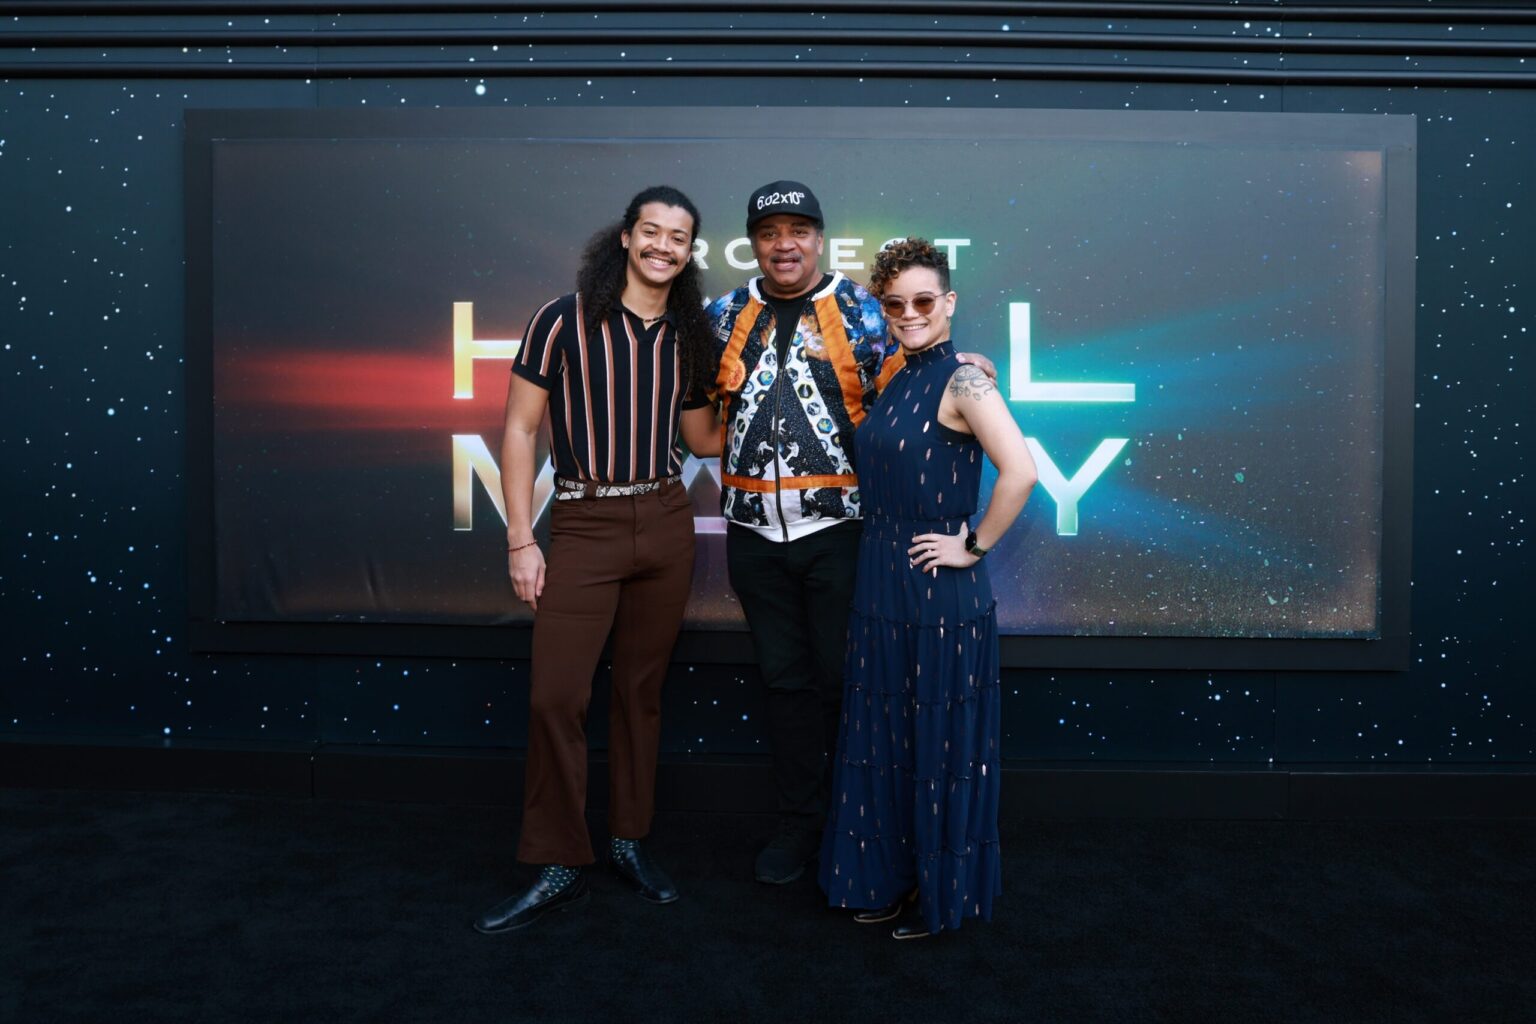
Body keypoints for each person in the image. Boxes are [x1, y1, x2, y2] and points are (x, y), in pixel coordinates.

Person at [705, 182, 994, 885]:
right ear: (753, 239)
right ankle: (798, 824)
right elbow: (702, 414)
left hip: (840, 532)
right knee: (783, 682)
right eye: (770, 230)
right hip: (751, 537)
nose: (785, 242)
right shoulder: (722, 314)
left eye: (799, 228)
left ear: (819, 238)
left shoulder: (865, 310)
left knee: (847, 681)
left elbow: (920, 382)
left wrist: (973, 368)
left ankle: (853, 825)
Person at [475, 185, 720, 934]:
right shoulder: (561, 318)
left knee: (640, 695)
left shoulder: (689, 333)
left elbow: (706, 441)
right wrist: (522, 538)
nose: (663, 246)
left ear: (689, 251)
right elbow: (519, 432)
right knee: (557, 696)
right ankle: (558, 864)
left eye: (679, 237)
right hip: (584, 523)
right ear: (625, 237)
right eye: (652, 231)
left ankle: (627, 841)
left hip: (666, 519)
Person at [817, 237, 1037, 940]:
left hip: (936, 591)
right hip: (879, 580)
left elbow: (1021, 472)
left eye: (922, 301)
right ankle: (889, 878)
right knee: (886, 738)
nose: (909, 314)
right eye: (895, 304)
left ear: (948, 304)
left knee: (935, 742)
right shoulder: (896, 375)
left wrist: (971, 546)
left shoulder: (966, 381)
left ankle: (937, 892)